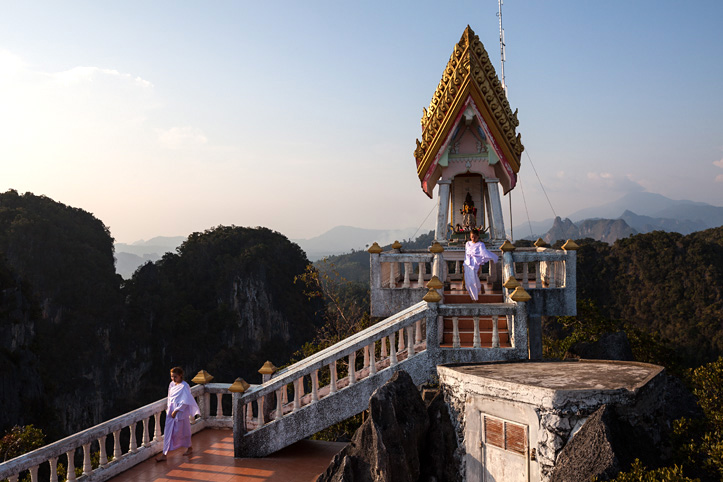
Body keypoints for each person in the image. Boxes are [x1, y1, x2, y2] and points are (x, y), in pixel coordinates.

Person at [156, 367, 200, 461]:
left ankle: (189, 447)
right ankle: (164, 454)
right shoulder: (171, 384)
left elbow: (186, 401)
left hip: (180, 413)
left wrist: (176, 410)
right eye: (172, 376)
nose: (173, 379)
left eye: (175, 376)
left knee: (185, 431)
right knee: (168, 432)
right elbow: (169, 397)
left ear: (180, 376)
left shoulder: (185, 386)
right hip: (171, 411)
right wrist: (169, 409)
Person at [464, 229, 499, 301]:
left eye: (475, 237)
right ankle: (480, 287)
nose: (473, 238)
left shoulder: (480, 244)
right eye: (472, 237)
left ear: (478, 236)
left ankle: (475, 298)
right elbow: (466, 254)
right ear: (470, 237)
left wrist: (480, 266)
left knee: (473, 280)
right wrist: (465, 264)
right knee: (468, 282)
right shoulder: (467, 244)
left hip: (475, 263)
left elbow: (483, 254)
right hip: (468, 263)